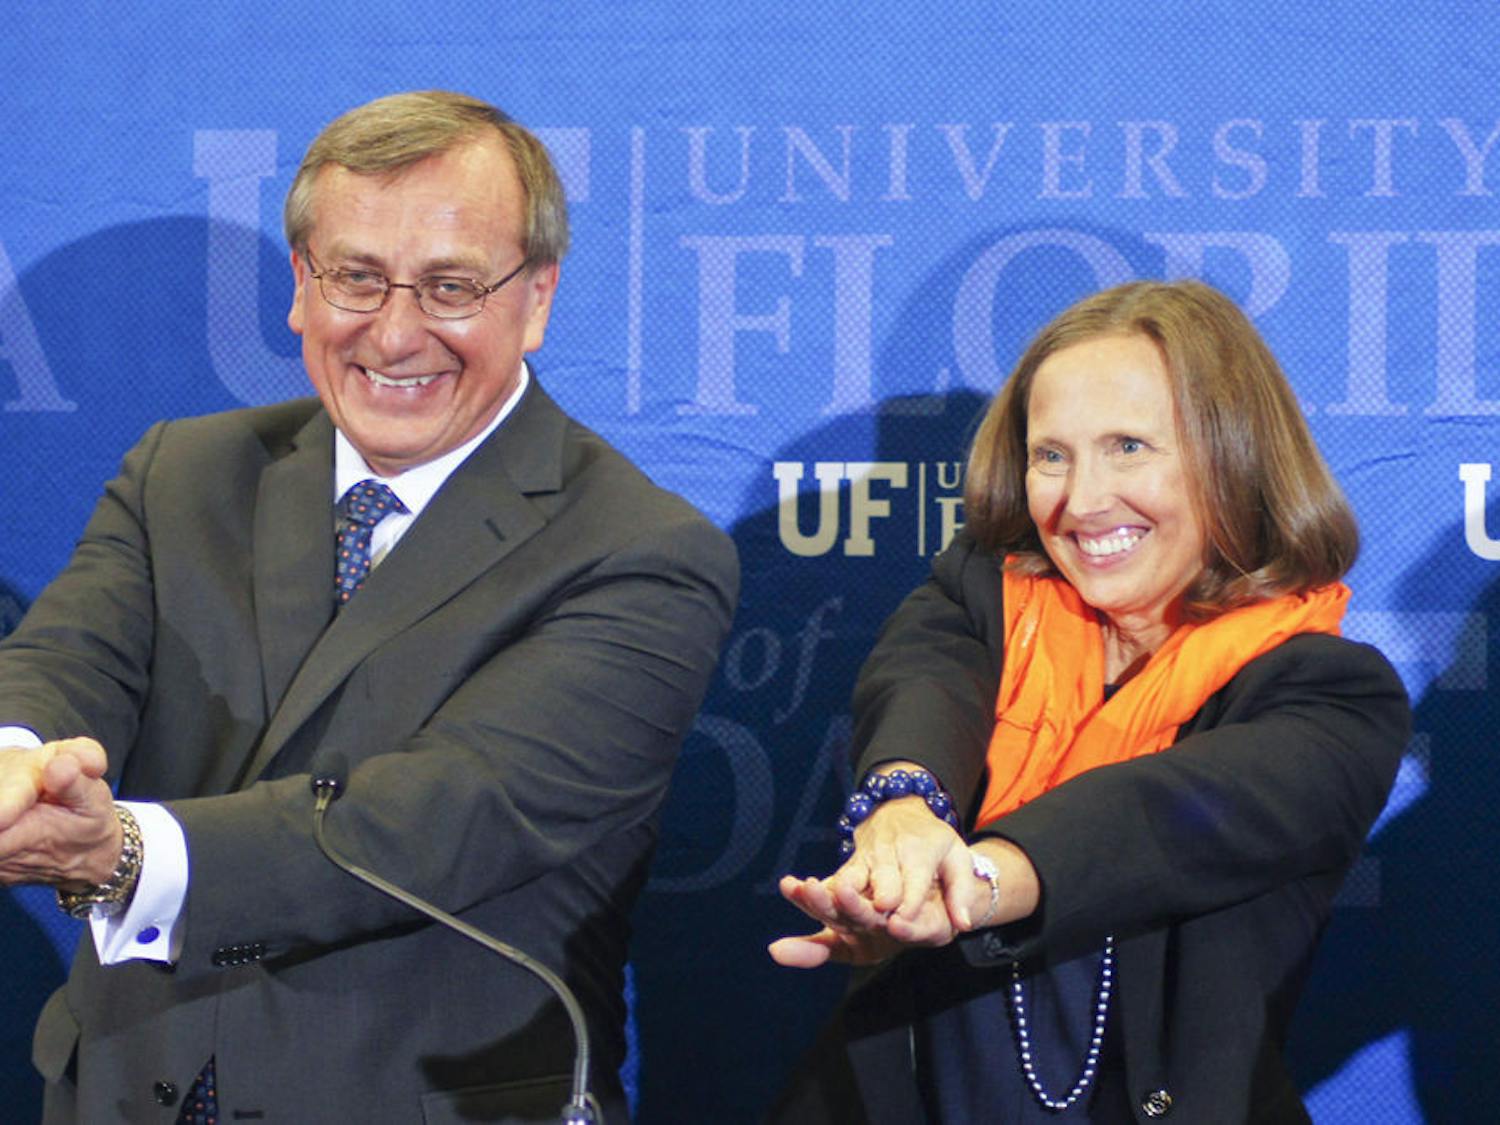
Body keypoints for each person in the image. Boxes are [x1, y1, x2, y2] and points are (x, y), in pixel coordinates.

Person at [0, 90, 738, 1124]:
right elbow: (68, 657)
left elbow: (441, 822)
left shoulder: (640, 551)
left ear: (536, 299)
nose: (394, 335)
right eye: (355, 277)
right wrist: (14, 760)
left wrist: (121, 852)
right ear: (301, 286)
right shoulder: (185, 473)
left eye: (450, 287)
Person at [768, 280, 1409, 1122]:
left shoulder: (1332, 696)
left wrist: (968, 882)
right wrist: (901, 819)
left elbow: (1162, 817)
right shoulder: (980, 598)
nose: (1083, 500)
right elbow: (920, 690)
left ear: (1232, 453)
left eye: (1130, 447)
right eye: (1051, 455)